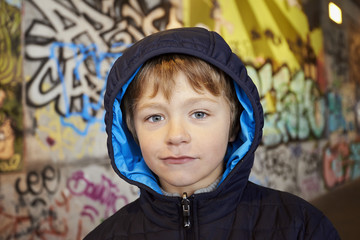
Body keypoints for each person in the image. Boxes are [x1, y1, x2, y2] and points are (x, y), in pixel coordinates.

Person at [84, 27, 339, 239]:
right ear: (132, 130)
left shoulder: (300, 226)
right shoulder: (108, 235)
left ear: (234, 125)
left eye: (199, 114)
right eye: (155, 117)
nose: (176, 135)